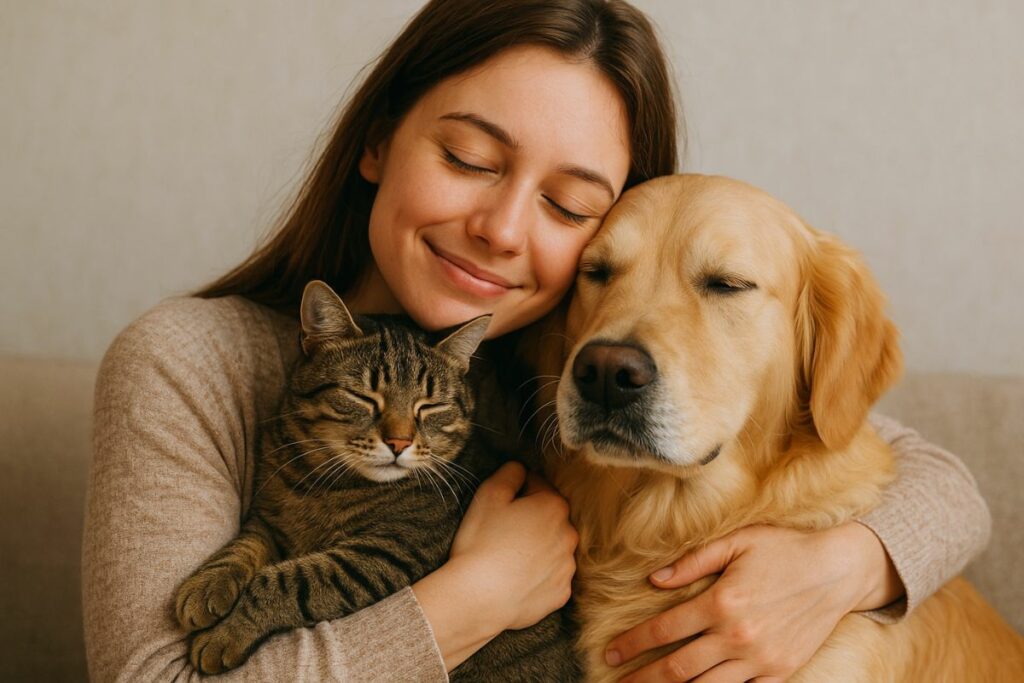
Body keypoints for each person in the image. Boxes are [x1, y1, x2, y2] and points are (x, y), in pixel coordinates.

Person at [81, 1, 991, 681]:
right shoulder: (187, 361)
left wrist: (843, 567)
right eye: (470, 159)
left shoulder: (538, 355)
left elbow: (930, 476)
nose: (503, 229)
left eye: (569, 206)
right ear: (376, 138)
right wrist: (468, 602)